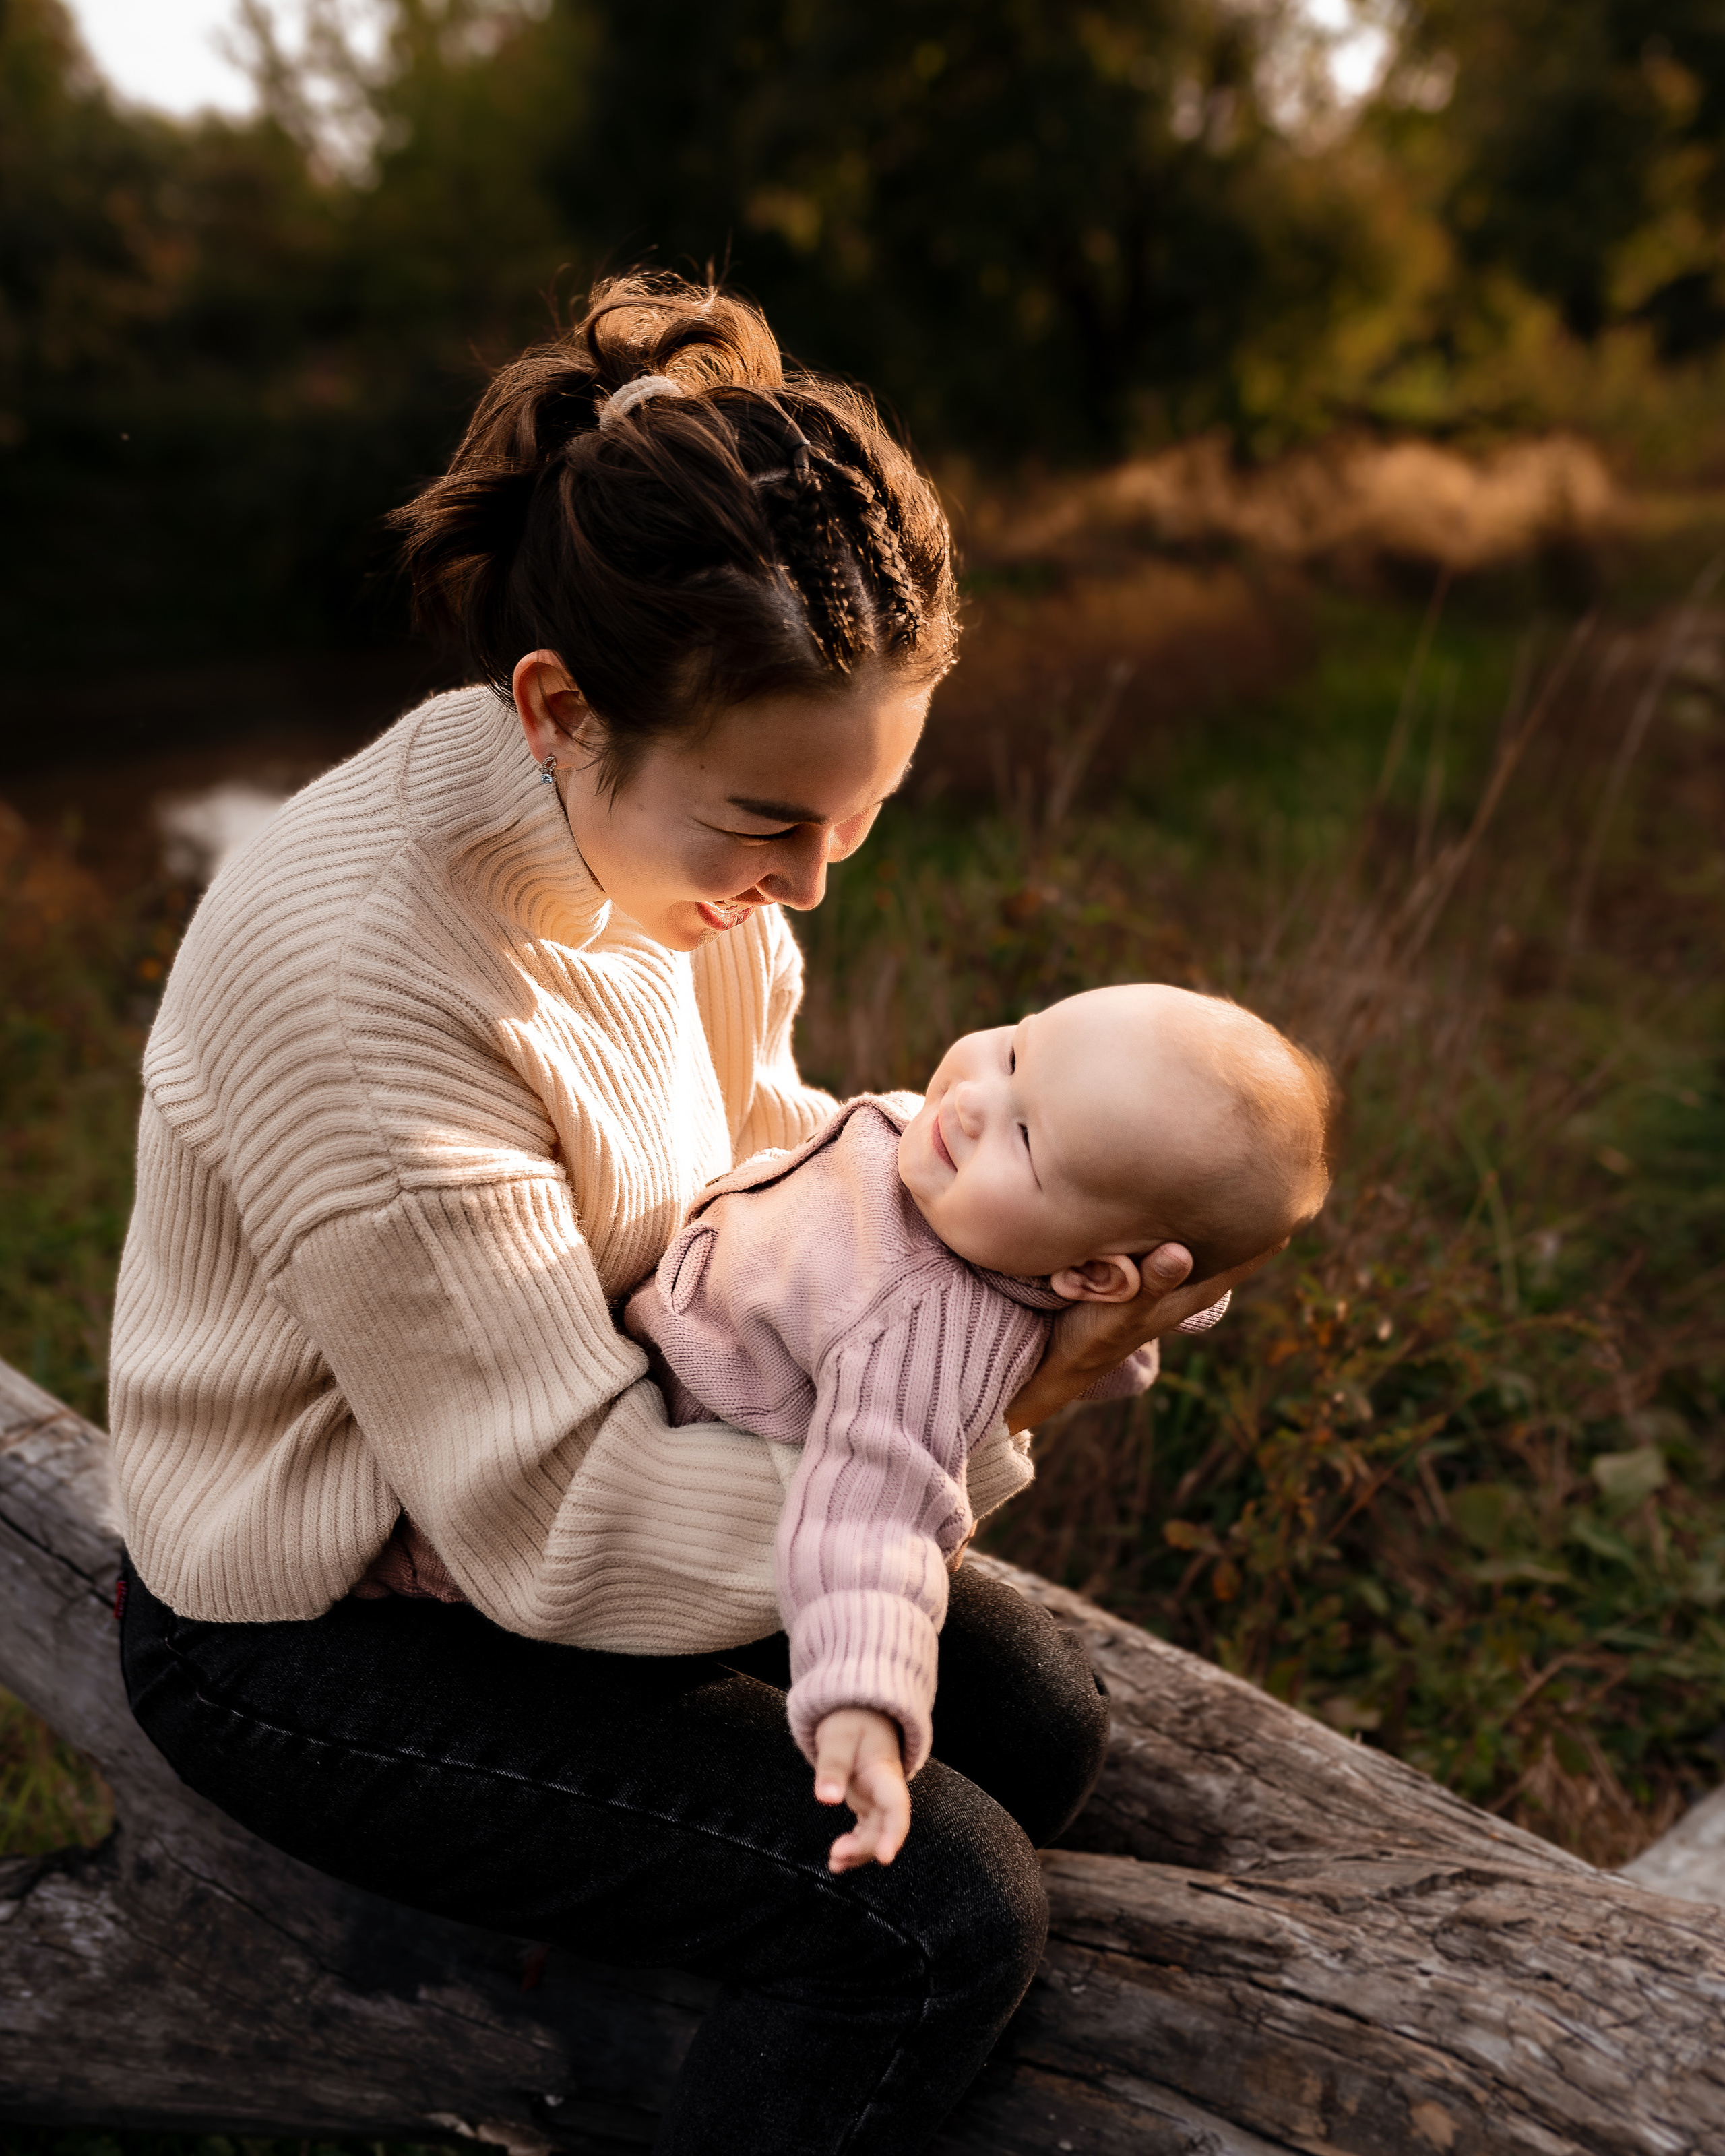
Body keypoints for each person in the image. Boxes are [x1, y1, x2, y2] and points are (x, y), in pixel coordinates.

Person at [107, 275, 1280, 2155]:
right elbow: (552, 1531)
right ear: (557, 707)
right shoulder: (366, 984)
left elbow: (763, 1154)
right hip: (323, 1604)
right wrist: (999, 1403)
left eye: (858, 814)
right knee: (933, 1915)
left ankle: (658, 2002)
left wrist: (1021, 1259)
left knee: (1037, 1725)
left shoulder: (667, 854)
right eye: (768, 823)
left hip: (609, 1428)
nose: (807, 885)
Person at [627, 984, 1334, 1875]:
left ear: (1097, 1278)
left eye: (1026, 1137)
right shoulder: (958, 1185)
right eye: (1015, 1050)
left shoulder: (920, 1330)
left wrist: (862, 1696)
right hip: (609, 1432)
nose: (970, 1101)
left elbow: (879, 1514)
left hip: (655, 1550)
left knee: (1025, 1729)